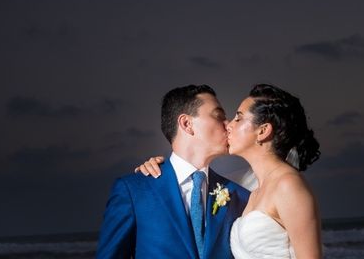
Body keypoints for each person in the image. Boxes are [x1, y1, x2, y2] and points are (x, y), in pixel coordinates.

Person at [137, 84, 322, 259]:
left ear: (263, 131)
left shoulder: (287, 186)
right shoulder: (248, 191)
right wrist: (163, 171)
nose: (229, 125)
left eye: (238, 118)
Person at [96, 84, 250, 259]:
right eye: (219, 116)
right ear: (186, 124)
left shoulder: (240, 196)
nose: (228, 124)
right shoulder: (134, 191)